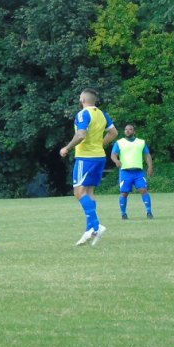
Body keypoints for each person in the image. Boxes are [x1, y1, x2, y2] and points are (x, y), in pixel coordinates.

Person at [60, 88, 117, 246]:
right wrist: (100, 144)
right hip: (99, 157)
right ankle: (89, 229)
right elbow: (113, 133)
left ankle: (97, 226)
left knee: (79, 192)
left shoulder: (83, 114)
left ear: (83, 100)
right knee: (89, 192)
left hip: (86, 158)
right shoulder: (102, 114)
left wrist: (67, 148)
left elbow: (81, 134)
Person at [110, 124, 154, 220]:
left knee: (144, 190)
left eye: (130, 129)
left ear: (134, 131)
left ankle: (149, 212)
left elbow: (147, 155)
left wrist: (150, 167)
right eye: (126, 129)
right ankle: (123, 214)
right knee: (124, 193)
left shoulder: (141, 142)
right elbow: (113, 154)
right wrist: (116, 161)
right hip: (125, 172)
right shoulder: (119, 143)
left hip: (138, 172)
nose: (127, 131)